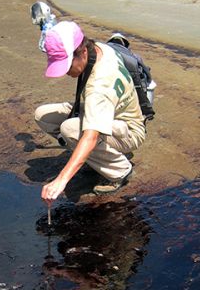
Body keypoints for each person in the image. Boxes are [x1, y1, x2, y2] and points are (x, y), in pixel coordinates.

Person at [34, 20, 146, 204]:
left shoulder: (99, 86)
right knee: (43, 115)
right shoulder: (98, 48)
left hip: (129, 130)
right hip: (108, 113)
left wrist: (61, 180)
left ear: (83, 52)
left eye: (68, 65)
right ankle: (97, 156)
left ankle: (119, 170)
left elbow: (90, 137)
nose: (65, 72)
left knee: (70, 129)